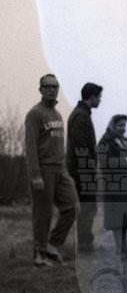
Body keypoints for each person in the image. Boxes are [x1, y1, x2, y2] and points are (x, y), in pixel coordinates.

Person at [24, 73, 79, 266]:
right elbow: (30, 147)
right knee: (43, 214)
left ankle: (52, 245)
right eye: (47, 86)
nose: (52, 89)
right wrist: (35, 175)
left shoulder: (57, 115)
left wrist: (65, 169)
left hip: (60, 170)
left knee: (72, 207)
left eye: (55, 86)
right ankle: (39, 254)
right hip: (43, 170)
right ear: (40, 89)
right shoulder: (35, 114)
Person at [97, 115, 127, 255]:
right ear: (112, 125)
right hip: (113, 185)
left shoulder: (126, 142)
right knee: (116, 218)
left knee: (125, 217)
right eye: (120, 125)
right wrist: (124, 161)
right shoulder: (105, 142)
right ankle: (120, 248)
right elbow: (104, 163)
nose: (123, 128)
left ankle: (125, 246)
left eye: (124, 125)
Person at [66, 82, 102, 253]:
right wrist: (91, 168)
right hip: (82, 171)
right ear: (92, 96)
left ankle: (85, 244)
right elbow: (81, 146)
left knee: (87, 208)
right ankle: (85, 245)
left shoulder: (81, 113)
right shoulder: (81, 116)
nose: (100, 100)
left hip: (81, 170)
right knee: (88, 207)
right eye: (99, 96)